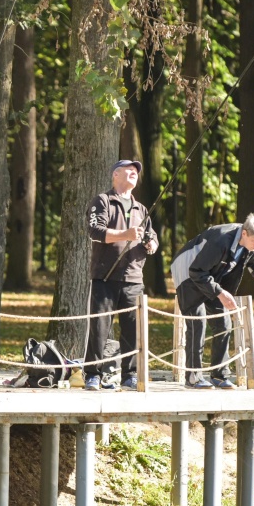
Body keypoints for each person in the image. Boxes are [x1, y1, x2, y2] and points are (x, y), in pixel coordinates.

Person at [171, 213, 254, 389]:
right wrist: (220, 293)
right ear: (244, 234)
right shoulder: (220, 241)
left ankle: (219, 375)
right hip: (187, 274)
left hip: (211, 276)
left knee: (224, 323)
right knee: (198, 323)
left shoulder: (251, 242)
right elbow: (196, 271)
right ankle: (193, 377)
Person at [83, 160, 158, 391]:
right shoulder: (103, 201)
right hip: (105, 276)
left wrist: (151, 244)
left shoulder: (142, 209)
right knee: (100, 327)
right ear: (115, 174)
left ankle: (130, 375)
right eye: (129, 170)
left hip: (134, 278)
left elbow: (151, 236)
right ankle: (93, 374)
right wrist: (124, 234)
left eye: (136, 171)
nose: (134, 173)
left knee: (132, 329)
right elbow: (95, 231)